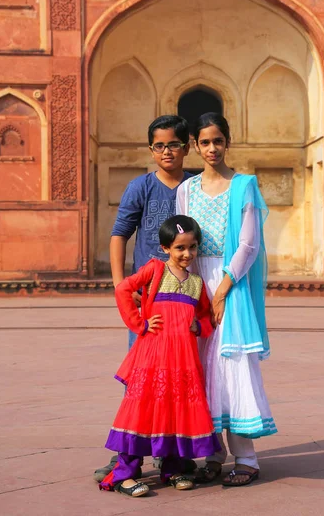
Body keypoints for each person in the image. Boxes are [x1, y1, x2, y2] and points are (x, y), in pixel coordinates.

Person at [176, 112, 277, 488]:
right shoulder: (186, 190)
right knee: (200, 368)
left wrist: (222, 290)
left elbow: (249, 244)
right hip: (195, 282)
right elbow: (181, 241)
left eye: (218, 140)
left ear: (227, 142)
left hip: (228, 284)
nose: (212, 148)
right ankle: (212, 454)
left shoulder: (244, 185)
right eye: (205, 142)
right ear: (196, 147)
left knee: (231, 365)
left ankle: (247, 458)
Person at [94, 115, 193, 482]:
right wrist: (124, 287)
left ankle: (174, 454)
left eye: (174, 144)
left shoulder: (195, 187)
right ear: (151, 149)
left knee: (179, 379)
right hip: (149, 303)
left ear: (186, 146)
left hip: (183, 302)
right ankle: (128, 454)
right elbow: (120, 234)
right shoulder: (141, 187)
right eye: (159, 145)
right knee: (143, 379)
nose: (167, 151)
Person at [99, 215, 220, 497]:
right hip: (152, 355)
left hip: (183, 361)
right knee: (141, 410)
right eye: (179, 248)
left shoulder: (197, 283)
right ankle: (124, 474)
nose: (187, 254)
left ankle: (172, 469)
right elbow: (123, 289)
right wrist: (139, 324)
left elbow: (206, 317)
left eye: (192, 247)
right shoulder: (154, 270)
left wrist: (198, 326)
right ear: (166, 248)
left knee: (176, 411)